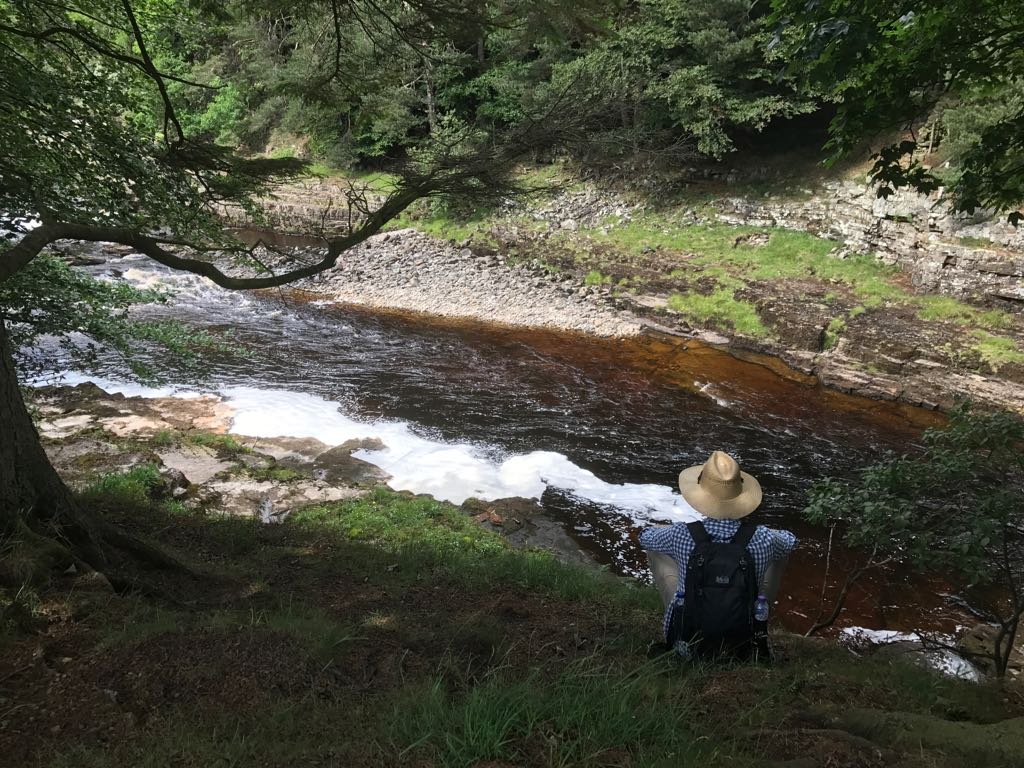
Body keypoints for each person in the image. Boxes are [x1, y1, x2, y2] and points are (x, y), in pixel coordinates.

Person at [639, 450, 796, 659]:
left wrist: (664, 530)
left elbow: (644, 537)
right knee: (780, 554)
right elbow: (791, 541)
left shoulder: (680, 534)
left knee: (656, 547)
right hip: (745, 648)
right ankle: (759, 615)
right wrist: (771, 533)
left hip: (688, 648)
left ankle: (678, 614)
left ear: (702, 495)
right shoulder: (764, 537)